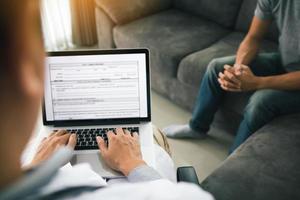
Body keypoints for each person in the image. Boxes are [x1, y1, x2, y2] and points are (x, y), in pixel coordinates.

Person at [0, 0, 214, 199]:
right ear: (25, 71)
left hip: (46, 161)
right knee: (154, 134)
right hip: (135, 172)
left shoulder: (30, 162)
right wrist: (134, 165)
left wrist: (36, 168)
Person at [164, 0, 300, 153]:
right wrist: (238, 69)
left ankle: (232, 161)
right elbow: (253, 37)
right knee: (217, 67)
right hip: (285, 61)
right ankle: (197, 127)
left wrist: (257, 83)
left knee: (260, 101)